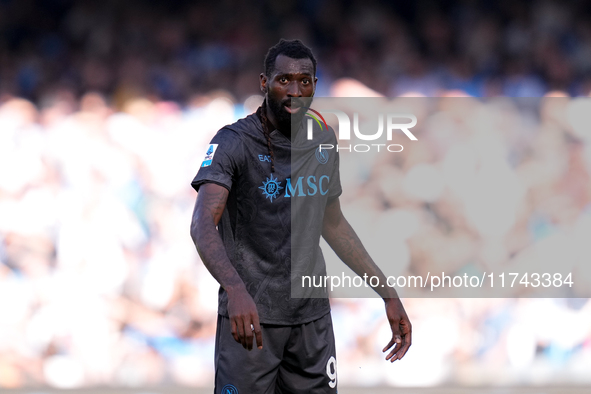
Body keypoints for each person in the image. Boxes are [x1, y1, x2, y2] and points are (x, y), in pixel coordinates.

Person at [190, 39, 411, 394]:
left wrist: (387, 292)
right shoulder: (233, 142)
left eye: (304, 81)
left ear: (314, 85)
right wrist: (234, 289)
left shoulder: (322, 139)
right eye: (284, 80)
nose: (294, 90)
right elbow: (202, 223)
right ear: (264, 83)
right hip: (252, 320)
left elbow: (333, 223)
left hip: (311, 319)